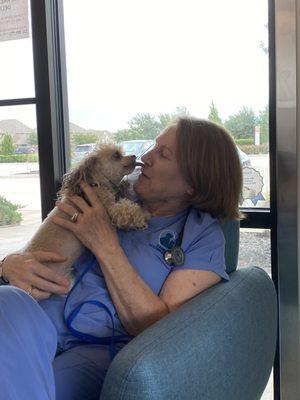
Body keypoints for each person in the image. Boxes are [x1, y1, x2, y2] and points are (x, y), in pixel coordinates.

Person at [0, 117, 242, 400]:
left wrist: (104, 243)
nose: (145, 157)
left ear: (193, 183)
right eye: (153, 146)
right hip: (30, 320)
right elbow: (45, 242)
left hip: (96, 348)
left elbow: (159, 329)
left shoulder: (202, 237)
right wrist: (7, 266)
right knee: (9, 300)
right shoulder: (107, 195)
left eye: (162, 154)